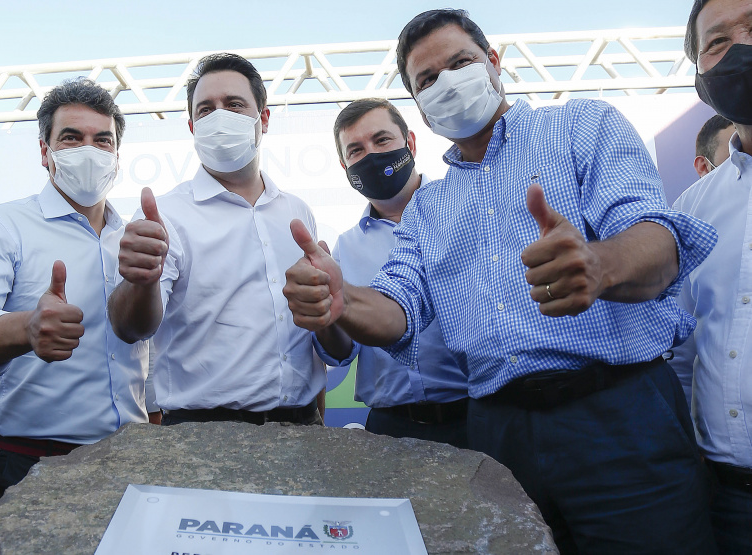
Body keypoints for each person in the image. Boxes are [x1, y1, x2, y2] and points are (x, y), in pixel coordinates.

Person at [283, 9, 719, 554]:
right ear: (420, 105)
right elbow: (396, 307)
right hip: (496, 435)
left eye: (460, 62)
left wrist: (600, 263)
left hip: (617, 417)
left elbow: (656, 237)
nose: (447, 83)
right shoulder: (428, 209)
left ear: (494, 63)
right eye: (427, 81)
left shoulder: (582, 126)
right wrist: (342, 299)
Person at [0, 78, 149, 510]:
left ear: (115, 156)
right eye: (71, 138)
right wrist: (26, 326)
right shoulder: (4, 225)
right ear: (44, 152)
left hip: (129, 460)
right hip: (31, 464)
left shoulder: (131, 238)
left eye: (101, 140)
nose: (88, 149)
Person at [109, 53, 325, 426]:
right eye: (206, 110)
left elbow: (311, 332)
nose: (219, 116)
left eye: (234, 105)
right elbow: (130, 328)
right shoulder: (163, 216)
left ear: (264, 119)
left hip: (302, 426)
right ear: (193, 127)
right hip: (203, 433)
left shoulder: (297, 211)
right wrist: (139, 283)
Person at [312, 98, 468, 444]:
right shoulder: (345, 249)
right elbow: (340, 353)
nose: (370, 156)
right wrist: (324, 313)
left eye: (382, 141)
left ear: (410, 143)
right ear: (344, 165)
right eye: (355, 150)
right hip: (390, 427)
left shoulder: (464, 209)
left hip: (475, 417)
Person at [671, 1, 752, 552]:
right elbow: (680, 348)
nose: (742, 49)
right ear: (702, 77)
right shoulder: (694, 209)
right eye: (718, 42)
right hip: (728, 499)